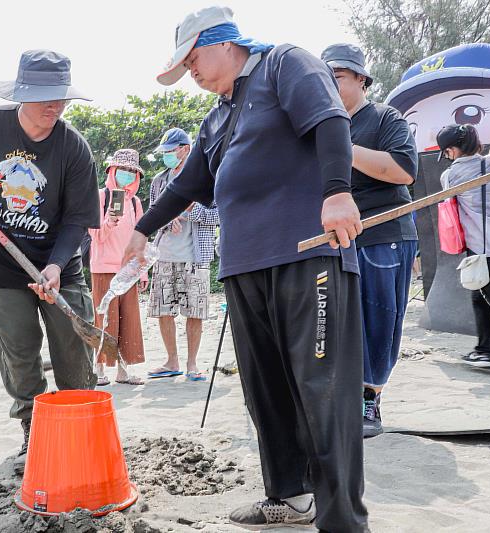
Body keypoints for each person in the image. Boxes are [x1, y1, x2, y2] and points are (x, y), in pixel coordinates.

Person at [124, 7, 368, 531]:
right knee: (266, 389)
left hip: (308, 255)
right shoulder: (216, 116)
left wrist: (337, 192)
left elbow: (330, 120)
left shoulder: (284, 64)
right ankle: (289, 496)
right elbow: (188, 185)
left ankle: (343, 520)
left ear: (223, 44)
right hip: (244, 267)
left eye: (193, 57)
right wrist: (142, 230)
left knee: (322, 389)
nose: (189, 70)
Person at [0, 50, 100, 475]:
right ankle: (33, 427)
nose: (54, 106)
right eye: (45, 97)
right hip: (4, 264)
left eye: (60, 98)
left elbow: (78, 219)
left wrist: (56, 265)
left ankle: (80, 425)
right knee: (20, 347)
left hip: (58, 265)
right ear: (22, 95)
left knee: (71, 345)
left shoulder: (74, 148)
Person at [322, 43, 419, 438]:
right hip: (336, 239)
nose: (330, 84)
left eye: (338, 76)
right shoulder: (323, 126)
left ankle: (369, 399)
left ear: (361, 78)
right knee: (341, 321)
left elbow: (404, 171)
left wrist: (343, 148)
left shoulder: (383, 118)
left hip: (384, 235)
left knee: (379, 318)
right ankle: (342, 396)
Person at [438, 125, 490, 378]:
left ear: (452, 150)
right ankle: (483, 350)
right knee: (479, 293)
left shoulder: (451, 177)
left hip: (487, 255)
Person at [146, 127, 218, 382]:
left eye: (170, 150)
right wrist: (168, 219)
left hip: (196, 257)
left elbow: (219, 215)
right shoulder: (159, 181)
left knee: (195, 312)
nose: (166, 155)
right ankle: (171, 361)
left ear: (185, 149)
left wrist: (191, 211)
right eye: (164, 151)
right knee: (163, 310)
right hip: (165, 255)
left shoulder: (207, 178)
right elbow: (153, 215)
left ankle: (192, 364)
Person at [89, 149, 146, 386]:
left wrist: (142, 272)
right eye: (123, 170)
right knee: (104, 319)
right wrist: (109, 222)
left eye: (132, 171)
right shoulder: (100, 197)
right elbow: (95, 235)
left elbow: (141, 237)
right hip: (103, 267)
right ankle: (100, 369)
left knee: (127, 320)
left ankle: (123, 371)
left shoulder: (135, 201)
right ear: (112, 171)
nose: (127, 174)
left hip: (128, 269)